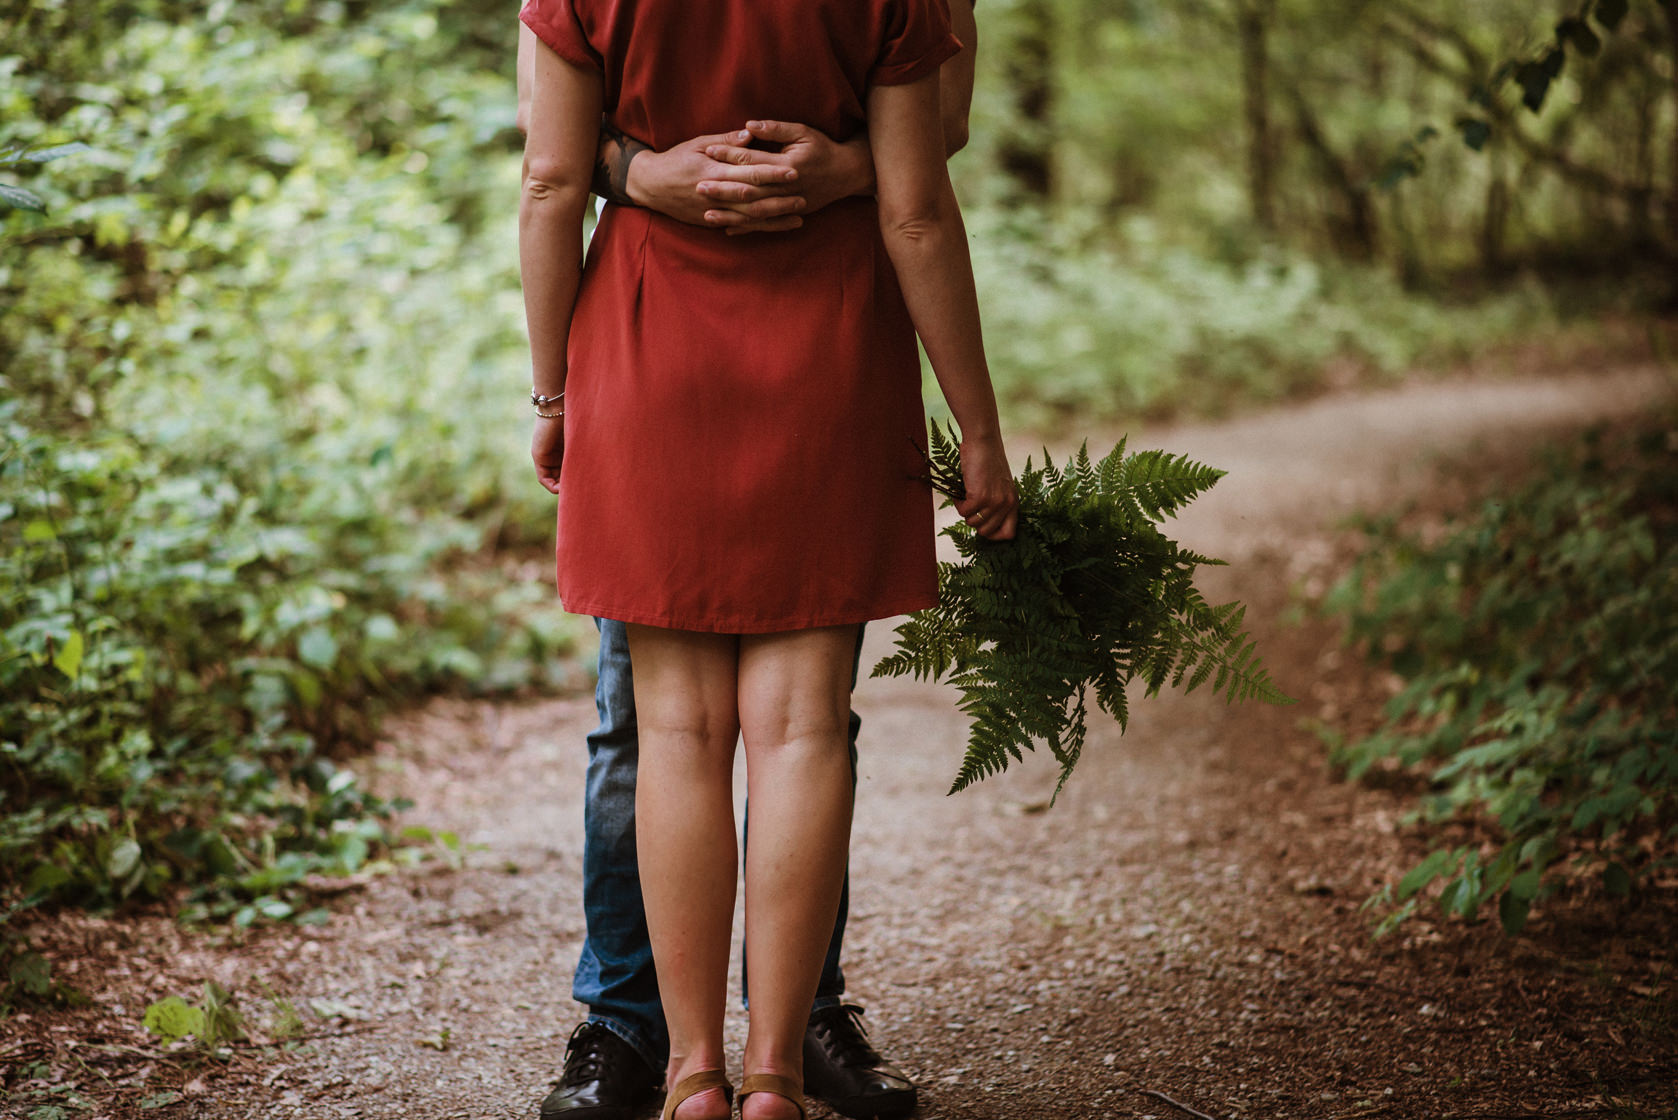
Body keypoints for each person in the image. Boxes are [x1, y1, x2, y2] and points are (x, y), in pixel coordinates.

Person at [517, 1, 1015, 1118]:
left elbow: (549, 181)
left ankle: (691, 1072)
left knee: (674, 735)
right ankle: (778, 1076)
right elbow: (921, 208)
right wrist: (976, 425)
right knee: (800, 730)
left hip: (649, 341)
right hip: (825, 343)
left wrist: (552, 392)